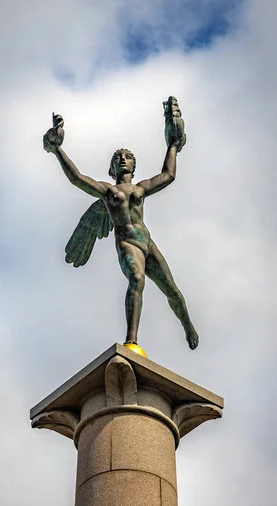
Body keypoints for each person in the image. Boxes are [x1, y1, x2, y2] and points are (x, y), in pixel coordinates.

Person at [43, 100, 199, 350]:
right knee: (137, 279)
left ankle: (188, 325)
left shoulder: (141, 188)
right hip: (128, 244)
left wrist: (172, 145)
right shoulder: (108, 191)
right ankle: (132, 340)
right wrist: (57, 150)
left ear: (134, 166)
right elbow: (78, 178)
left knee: (173, 292)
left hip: (147, 242)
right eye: (118, 158)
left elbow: (168, 175)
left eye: (128, 157)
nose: (123, 160)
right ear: (112, 166)